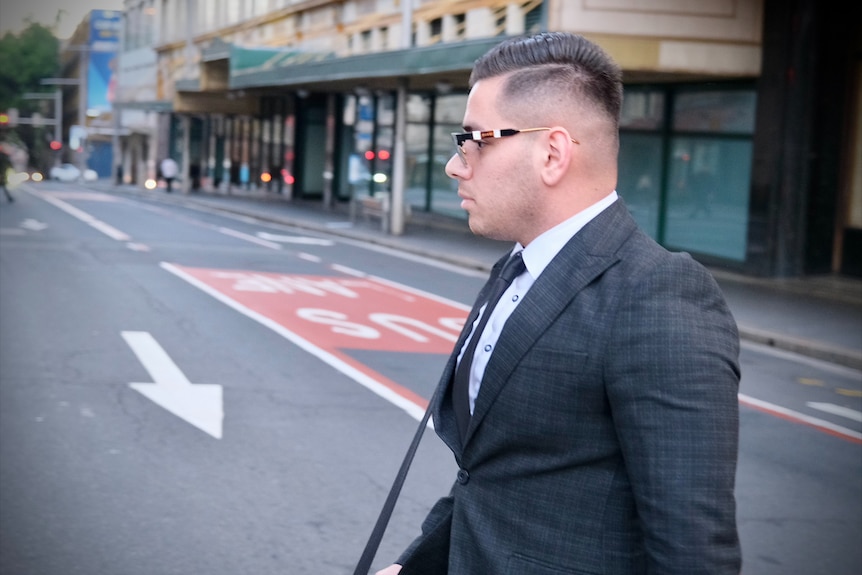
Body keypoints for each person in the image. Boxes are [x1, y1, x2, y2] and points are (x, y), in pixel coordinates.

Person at [376, 32, 741, 574]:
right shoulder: (516, 269)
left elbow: (692, 549)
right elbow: (491, 478)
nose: (456, 165)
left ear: (552, 153)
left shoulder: (658, 295)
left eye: (475, 139)